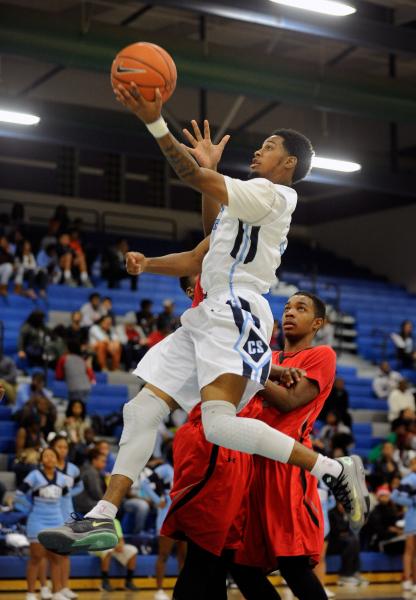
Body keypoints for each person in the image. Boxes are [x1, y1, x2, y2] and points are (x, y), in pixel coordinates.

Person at [39, 102, 368, 553]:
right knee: (141, 412)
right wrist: (147, 263)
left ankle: (332, 470)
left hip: (238, 310)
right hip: (210, 312)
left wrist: (155, 120)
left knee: (217, 425)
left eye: (269, 146)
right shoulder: (243, 205)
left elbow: (194, 177)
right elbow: (198, 256)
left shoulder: (273, 195)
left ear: (288, 163)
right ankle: (102, 518)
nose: (258, 150)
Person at [14, 447, 69, 600]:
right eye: (46, 456)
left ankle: (57, 592)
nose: (50, 458)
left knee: (56, 558)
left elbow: (65, 497)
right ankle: (31, 593)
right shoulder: (34, 475)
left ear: (57, 460)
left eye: (53, 456)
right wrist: (29, 508)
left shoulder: (63, 479)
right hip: (37, 520)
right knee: (37, 557)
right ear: (41, 460)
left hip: (56, 520)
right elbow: (19, 494)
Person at [140, 451, 186, 600]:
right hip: (167, 516)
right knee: (164, 554)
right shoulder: (166, 469)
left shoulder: (187, 468)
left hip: (184, 517)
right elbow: (144, 483)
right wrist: (156, 500)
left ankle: (183, 589)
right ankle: (159, 590)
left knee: (184, 556)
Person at [50, 435, 83, 600]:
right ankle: (52, 587)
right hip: (50, 511)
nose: (62, 450)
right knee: (53, 553)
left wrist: (68, 493)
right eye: (59, 447)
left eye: (65, 447)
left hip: (67, 511)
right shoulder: (48, 467)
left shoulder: (73, 469)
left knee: (66, 552)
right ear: (52, 448)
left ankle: (65, 587)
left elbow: (79, 486)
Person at [92, 518, 139, 591]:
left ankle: (128, 582)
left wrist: (121, 545)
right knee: (107, 549)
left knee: (133, 550)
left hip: (113, 546)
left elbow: (121, 539)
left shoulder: (115, 521)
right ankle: (104, 583)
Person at [391, 457, 416, 593]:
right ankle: (407, 579)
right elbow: (395, 496)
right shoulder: (410, 479)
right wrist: (410, 503)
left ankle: (414, 582)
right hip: (413, 518)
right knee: (410, 550)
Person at [327, 503, 364, 587]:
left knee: (355, 540)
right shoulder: (331, 514)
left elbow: (349, 529)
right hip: (332, 542)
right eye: (342, 505)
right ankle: (345, 574)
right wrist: (343, 532)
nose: (344, 507)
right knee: (350, 541)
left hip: (344, 540)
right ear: (337, 504)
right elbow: (335, 531)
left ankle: (355, 571)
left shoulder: (347, 514)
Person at [73, 448, 107, 515]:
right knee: (111, 507)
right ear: (94, 461)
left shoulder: (86, 468)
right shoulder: (91, 472)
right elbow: (96, 493)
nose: (105, 464)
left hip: (81, 503)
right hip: (86, 505)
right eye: (103, 461)